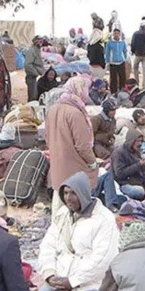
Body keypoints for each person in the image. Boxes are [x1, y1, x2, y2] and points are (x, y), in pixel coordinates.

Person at [37, 171, 119, 291]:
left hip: (90, 283)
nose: (68, 198)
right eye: (66, 193)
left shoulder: (104, 219)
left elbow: (102, 260)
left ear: (83, 194)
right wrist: (50, 274)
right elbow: (47, 246)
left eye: (73, 193)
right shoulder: (62, 214)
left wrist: (73, 281)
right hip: (60, 278)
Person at [44, 76, 98, 212]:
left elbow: (47, 138)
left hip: (58, 163)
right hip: (74, 165)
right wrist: (92, 163)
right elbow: (83, 146)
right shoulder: (75, 113)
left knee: (59, 202)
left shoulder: (53, 109)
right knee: (74, 205)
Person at [111, 129, 145, 200]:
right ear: (131, 141)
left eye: (141, 141)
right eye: (138, 141)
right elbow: (120, 173)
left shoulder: (135, 150)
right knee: (140, 192)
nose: (140, 143)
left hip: (136, 181)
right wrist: (139, 165)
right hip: (124, 184)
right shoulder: (119, 153)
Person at [105, 28, 128, 94]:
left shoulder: (122, 42)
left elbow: (125, 51)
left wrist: (125, 59)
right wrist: (108, 62)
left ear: (120, 34)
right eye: (115, 33)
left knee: (122, 78)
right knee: (113, 79)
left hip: (121, 62)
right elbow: (107, 53)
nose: (116, 35)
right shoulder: (110, 43)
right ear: (113, 34)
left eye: (117, 33)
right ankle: (113, 93)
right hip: (113, 63)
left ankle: (122, 91)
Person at [130, 21, 145, 87]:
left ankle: (137, 83)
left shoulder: (135, 33)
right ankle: (144, 86)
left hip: (137, 54)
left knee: (135, 68)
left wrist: (133, 51)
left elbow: (133, 43)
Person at [24, 36, 45, 102]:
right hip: (31, 77)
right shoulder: (32, 51)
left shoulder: (37, 50)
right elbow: (27, 65)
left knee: (35, 95)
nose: (41, 43)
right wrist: (35, 72)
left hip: (34, 76)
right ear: (36, 42)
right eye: (39, 41)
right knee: (33, 97)